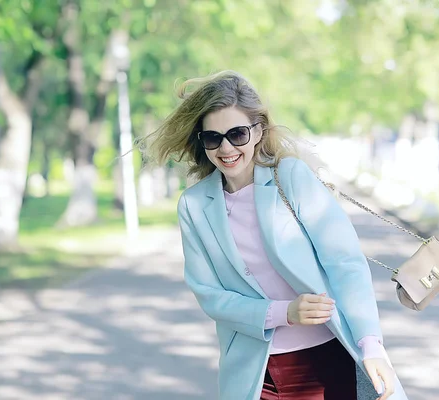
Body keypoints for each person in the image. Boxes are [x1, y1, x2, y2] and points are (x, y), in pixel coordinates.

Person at [144, 70, 409, 400]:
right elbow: (210, 294)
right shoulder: (194, 206)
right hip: (254, 375)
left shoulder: (291, 177)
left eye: (237, 134)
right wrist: (284, 312)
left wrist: (371, 345)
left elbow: (345, 263)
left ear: (258, 131)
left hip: (324, 362)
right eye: (213, 138)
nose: (226, 148)